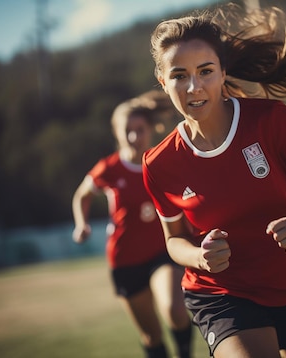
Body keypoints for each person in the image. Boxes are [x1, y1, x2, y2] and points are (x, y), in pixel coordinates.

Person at [142, 4, 286, 358]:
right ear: (163, 81)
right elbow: (175, 241)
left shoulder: (270, 121)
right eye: (179, 75)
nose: (193, 86)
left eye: (205, 71)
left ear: (223, 71)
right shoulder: (159, 163)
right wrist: (200, 257)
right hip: (222, 293)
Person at [71, 91, 193, 358]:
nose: (134, 137)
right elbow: (82, 195)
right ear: (117, 133)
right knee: (151, 336)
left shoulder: (162, 162)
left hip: (164, 252)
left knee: (174, 309)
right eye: (127, 131)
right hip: (125, 259)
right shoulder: (108, 169)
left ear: (151, 129)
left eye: (140, 129)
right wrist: (81, 224)